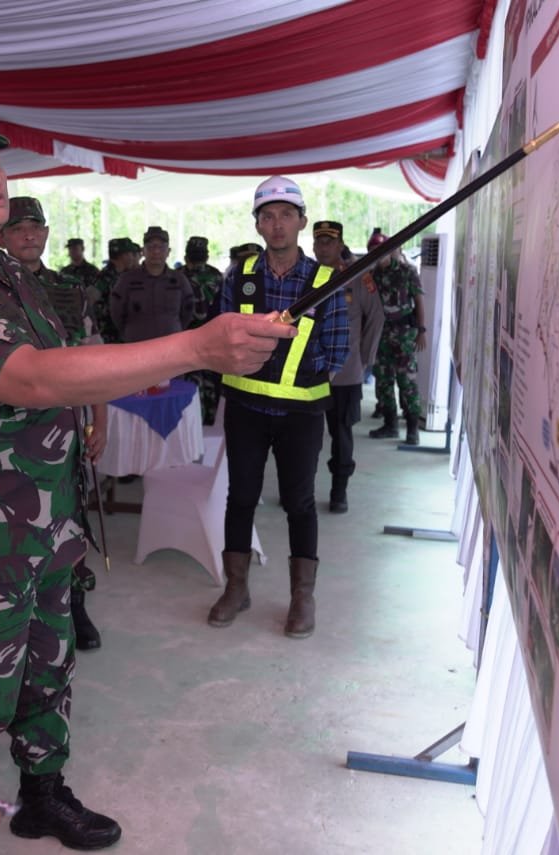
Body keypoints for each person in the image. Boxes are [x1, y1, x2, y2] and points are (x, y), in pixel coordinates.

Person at [0, 102, 295, 855]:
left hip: (48, 514)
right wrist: (196, 347)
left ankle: (42, 794)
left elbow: (69, 361)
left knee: (48, 667)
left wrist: (95, 405)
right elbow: (33, 379)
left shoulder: (9, 270)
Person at [207, 176, 349, 640]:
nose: (278, 223)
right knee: (240, 497)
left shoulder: (327, 281)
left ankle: (302, 598)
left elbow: (337, 348)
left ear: (302, 221)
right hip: (246, 407)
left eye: (287, 214)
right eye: (268, 216)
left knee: (299, 501)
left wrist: (302, 371)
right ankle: (237, 588)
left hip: (301, 413)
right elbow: (222, 333)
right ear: (258, 224)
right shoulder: (241, 276)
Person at [0, 196, 108, 651]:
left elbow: (95, 359)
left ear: (45, 233)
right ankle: (12, 618)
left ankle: (75, 607)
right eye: (18, 227)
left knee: (69, 520)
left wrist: (100, 422)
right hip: (4, 433)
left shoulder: (70, 290)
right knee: (7, 530)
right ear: (1, 236)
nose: (28, 235)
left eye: (35, 227)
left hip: (63, 430)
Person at [312, 221, 384, 512]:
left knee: (341, 435)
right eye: (319, 242)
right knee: (303, 436)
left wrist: (364, 358)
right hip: (310, 373)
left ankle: (338, 491)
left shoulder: (358, 277)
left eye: (330, 242)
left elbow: (376, 316)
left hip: (345, 373)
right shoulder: (305, 274)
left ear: (340, 244)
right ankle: (299, 489)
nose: (324, 247)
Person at [365, 227, 427, 445]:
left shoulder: (407, 272)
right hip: (380, 337)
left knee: (407, 382)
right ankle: (390, 425)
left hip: (404, 337)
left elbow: (419, 301)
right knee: (383, 381)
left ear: (390, 251)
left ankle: (412, 429)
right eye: (374, 252)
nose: (378, 256)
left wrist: (421, 331)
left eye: (382, 251)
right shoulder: (371, 277)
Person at [109, 225, 195, 342]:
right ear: (143, 251)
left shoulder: (179, 280)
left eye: (161, 247)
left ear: (168, 251)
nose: (156, 251)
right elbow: (116, 313)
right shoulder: (127, 280)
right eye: (151, 247)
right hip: (137, 346)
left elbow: (188, 312)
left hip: (171, 347)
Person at [181, 235, 225, 424]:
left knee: (205, 384)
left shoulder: (215, 276)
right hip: (191, 339)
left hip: (204, 338)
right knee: (195, 385)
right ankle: (199, 423)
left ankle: (203, 423)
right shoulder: (178, 276)